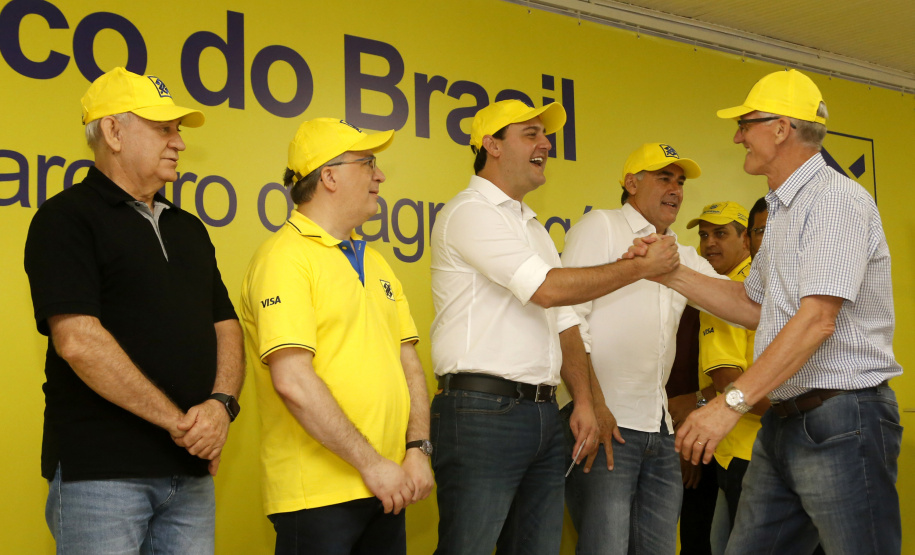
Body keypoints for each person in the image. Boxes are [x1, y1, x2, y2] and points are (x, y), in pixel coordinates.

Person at [650, 69, 902, 554]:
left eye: (747, 123)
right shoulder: (783, 210)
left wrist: (728, 404)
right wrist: (668, 272)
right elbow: (751, 305)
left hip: (842, 418)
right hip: (785, 422)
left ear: (782, 128)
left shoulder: (834, 201)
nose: (737, 135)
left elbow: (816, 320)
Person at [429, 101, 679, 555]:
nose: (546, 144)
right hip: (482, 410)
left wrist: (583, 399)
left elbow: (564, 318)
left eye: (545, 135)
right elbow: (546, 288)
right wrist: (639, 268)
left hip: (543, 413)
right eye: (530, 134)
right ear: (492, 145)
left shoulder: (532, 227)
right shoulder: (470, 212)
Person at [23, 66, 244, 554]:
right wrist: (179, 423)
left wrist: (221, 406)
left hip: (190, 477)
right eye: (163, 128)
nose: (179, 142)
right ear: (113, 131)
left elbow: (225, 324)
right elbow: (78, 340)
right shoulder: (65, 220)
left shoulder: (189, 229)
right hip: (102, 476)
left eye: (178, 130)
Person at [240, 118, 434, 555]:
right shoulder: (284, 258)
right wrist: (374, 465)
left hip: (388, 488)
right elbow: (292, 381)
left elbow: (409, 366)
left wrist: (417, 449)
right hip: (318, 498)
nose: (380, 175)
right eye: (368, 164)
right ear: (328, 176)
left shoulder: (378, 262)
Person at [561, 142, 723, 554]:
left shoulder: (683, 255)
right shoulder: (601, 226)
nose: (676, 189)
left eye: (681, 181)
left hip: (660, 432)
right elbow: (566, 320)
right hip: (605, 425)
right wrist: (594, 404)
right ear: (631, 183)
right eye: (664, 177)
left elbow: (737, 302)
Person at [686, 201, 769, 552]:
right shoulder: (771, 284)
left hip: (745, 454)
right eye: (704, 235)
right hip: (777, 448)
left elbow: (727, 381)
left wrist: (695, 403)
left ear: (746, 240)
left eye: (721, 233)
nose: (709, 244)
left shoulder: (726, 294)